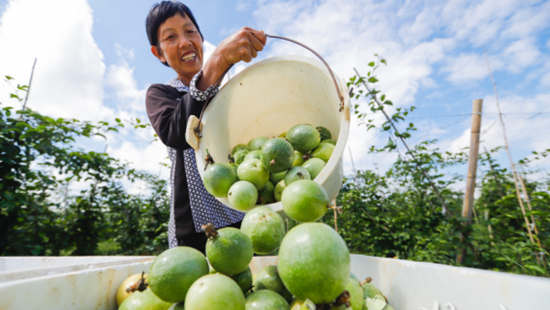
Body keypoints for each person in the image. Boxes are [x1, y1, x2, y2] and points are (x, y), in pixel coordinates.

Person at [145, 1, 266, 253]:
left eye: (190, 32)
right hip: (196, 229)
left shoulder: (229, 93)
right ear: (158, 53)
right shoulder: (161, 94)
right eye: (171, 36)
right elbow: (175, 132)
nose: (185, 42)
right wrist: (219, 60)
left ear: (201, 38)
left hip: (244, 213)